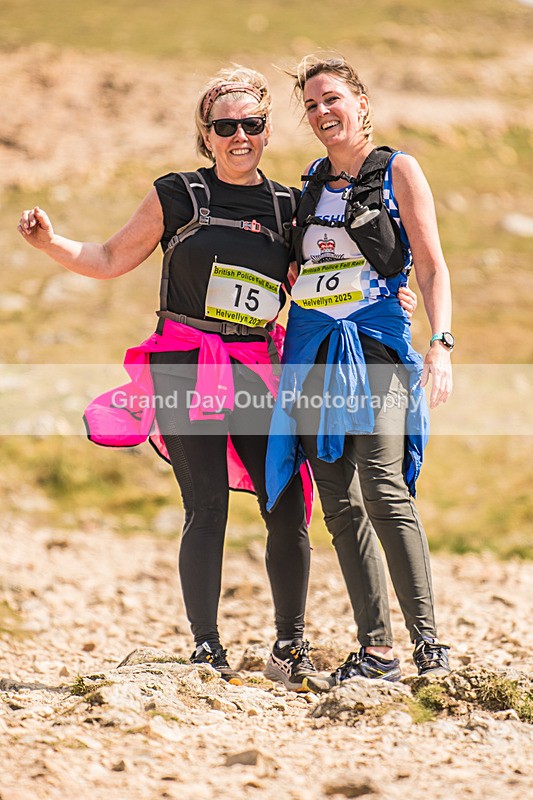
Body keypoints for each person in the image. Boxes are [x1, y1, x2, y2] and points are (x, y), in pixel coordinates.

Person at [18, 65, 416, 691]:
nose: (239, 137)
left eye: (251, 124)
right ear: (205, 134)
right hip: (184, 363)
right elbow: (111, 257)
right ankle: (207, 648)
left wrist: (393, 299)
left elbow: (328, 269)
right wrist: (51, 244)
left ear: (266, 130)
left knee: (286, 505)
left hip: (257, 368)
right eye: (224, 127)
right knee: (205, 507)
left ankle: (289, 646)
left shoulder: (288, 204)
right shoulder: (177, 194)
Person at [266, 55, 452, 691]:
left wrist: (441, 342)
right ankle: (377, 652)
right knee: (340, 504)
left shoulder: (398, 169)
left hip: (376, 350)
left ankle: (430, 648)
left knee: (382, 485)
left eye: (333, 99)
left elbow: (431, 265)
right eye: (311, 105)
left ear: (361, 104)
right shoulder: (311, 186)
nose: (322, 112)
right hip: (312, 353)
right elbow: (301, 274)